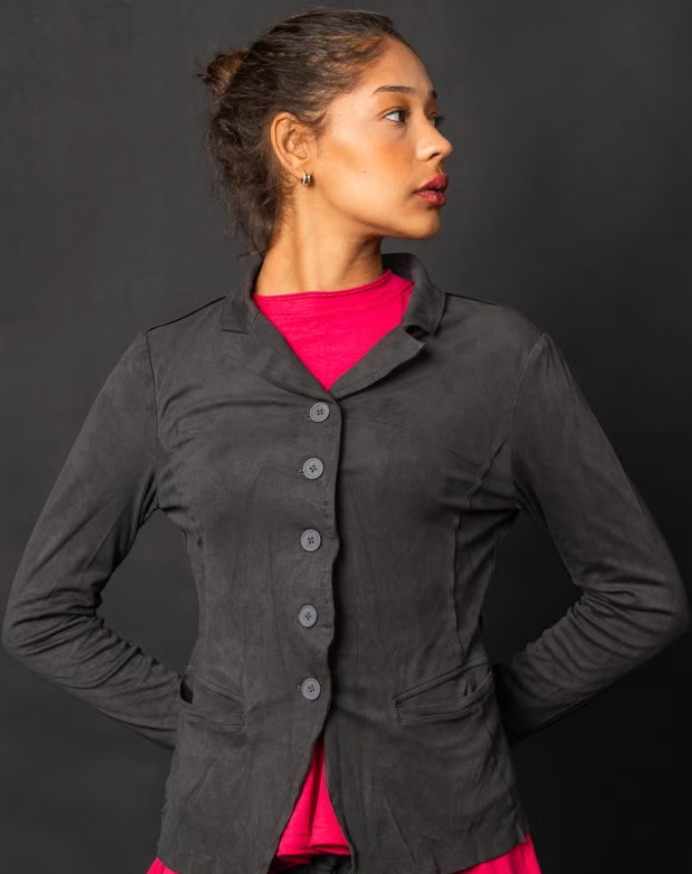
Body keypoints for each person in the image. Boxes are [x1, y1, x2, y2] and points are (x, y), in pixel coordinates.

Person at [3, 7, 688, 874]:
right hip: (223, 847)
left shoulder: (501, 360)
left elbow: (639, 596)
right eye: (398, 114)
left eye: (435, 115)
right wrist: (222, 735)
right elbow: (44, 616)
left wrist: (460, 721)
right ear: (298, 146)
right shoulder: (167, 369)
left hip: (449, 844)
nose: (438, 143)